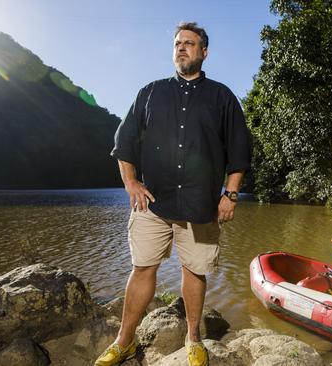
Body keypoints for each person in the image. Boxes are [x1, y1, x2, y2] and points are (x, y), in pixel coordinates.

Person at [95, 21, 251, 366]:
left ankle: (193, 338)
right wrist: (130, 183)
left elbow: (239, 151)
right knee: (142, 268)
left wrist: (232, 194)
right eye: (178, 43)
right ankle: (124, 340)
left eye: (189, 43)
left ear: (203, 52)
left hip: (201, 205)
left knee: (195, 271)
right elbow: (124, 143)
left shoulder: (222, 97)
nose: (182, 48)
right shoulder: (150, 92)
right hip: (153, 203)